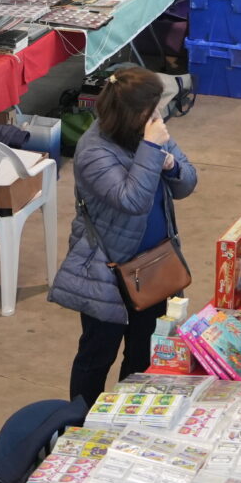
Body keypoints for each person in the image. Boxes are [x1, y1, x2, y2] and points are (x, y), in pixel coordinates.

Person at [52, 67, 198, 403]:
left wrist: (170, 166)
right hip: (107, 271)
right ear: (131, 115)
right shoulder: (93, 151)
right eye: (152, 110)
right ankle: (81, 422)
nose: (159, 116)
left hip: (152, 265)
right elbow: (131, 200)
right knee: (97, 355)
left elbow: (188, 182)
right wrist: (151, 149)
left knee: (143, 354)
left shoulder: (150, 133)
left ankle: (127, 418)